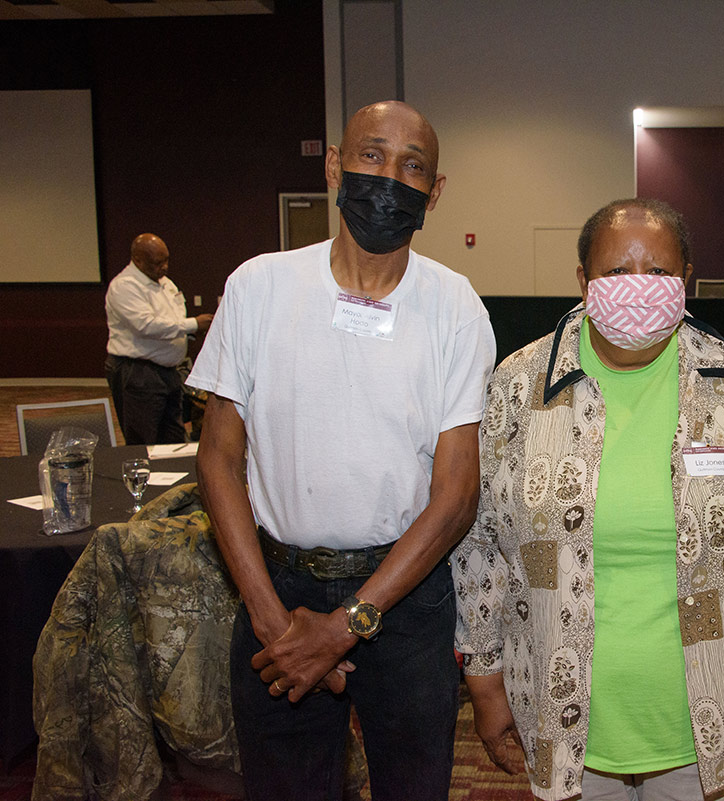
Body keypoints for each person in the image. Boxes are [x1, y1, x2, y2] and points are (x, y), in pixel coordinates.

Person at [189, 101, 496, 801]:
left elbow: (456, 495)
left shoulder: (456, 307)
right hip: (277, 594)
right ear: (334, 164)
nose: (390, 177)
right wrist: (273, 619)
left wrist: (349, 623)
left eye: (412, 165)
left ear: (435, 190)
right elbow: (217, 455)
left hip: (405, 599)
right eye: (371, 156)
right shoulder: (257, 286)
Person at [452, 198, 724, 801]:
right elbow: (480, 550)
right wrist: (484, 678)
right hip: (564, 710)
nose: (639, 287)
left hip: (701, 709)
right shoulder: (522, 385)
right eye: (616, 272)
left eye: (658, 273)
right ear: (582, 281)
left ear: (686, 280)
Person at [104, 233, 213, 444]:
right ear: (138, 260)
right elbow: (146, 325)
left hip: (168, 372)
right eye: (157, 262)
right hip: (138, 372)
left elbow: (172, 319)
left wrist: (192, 330)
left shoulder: (165, 284)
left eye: (166, 260)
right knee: (143, 438)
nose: (164, 267)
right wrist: (193, 324)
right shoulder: (125, 286)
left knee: (173, 437)